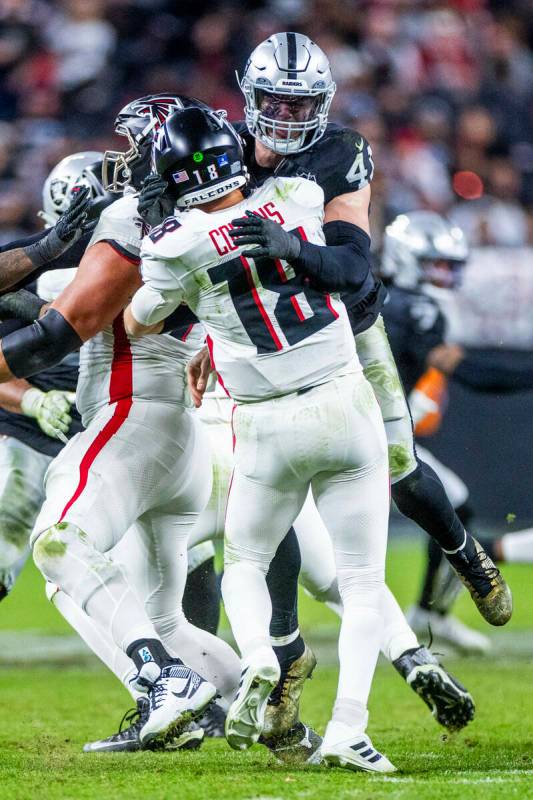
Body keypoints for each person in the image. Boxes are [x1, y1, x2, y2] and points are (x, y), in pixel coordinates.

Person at [141, 31, 510, 747]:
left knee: (398, 462)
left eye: (298, 100)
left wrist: (290, 249)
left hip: (348, 330)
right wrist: (208, 339)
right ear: (248, 99)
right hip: (263, 349)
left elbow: (348, 271)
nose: (283, 113)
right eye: (273, 99)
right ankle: (294, 662)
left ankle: (464, 553)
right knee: (270, 514)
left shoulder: (338, 153)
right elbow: (216, 270)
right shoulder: (229, 151)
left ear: (322, 103)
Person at [126, 104, 397, 773]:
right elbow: (346, 263)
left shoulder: (170, 246)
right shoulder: (297, 196)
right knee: (362, 582)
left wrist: (164, 227)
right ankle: (348, 730)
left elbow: (140, 322)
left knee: (243, 561)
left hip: (261, 421)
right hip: (340, 399)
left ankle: (255, 659)